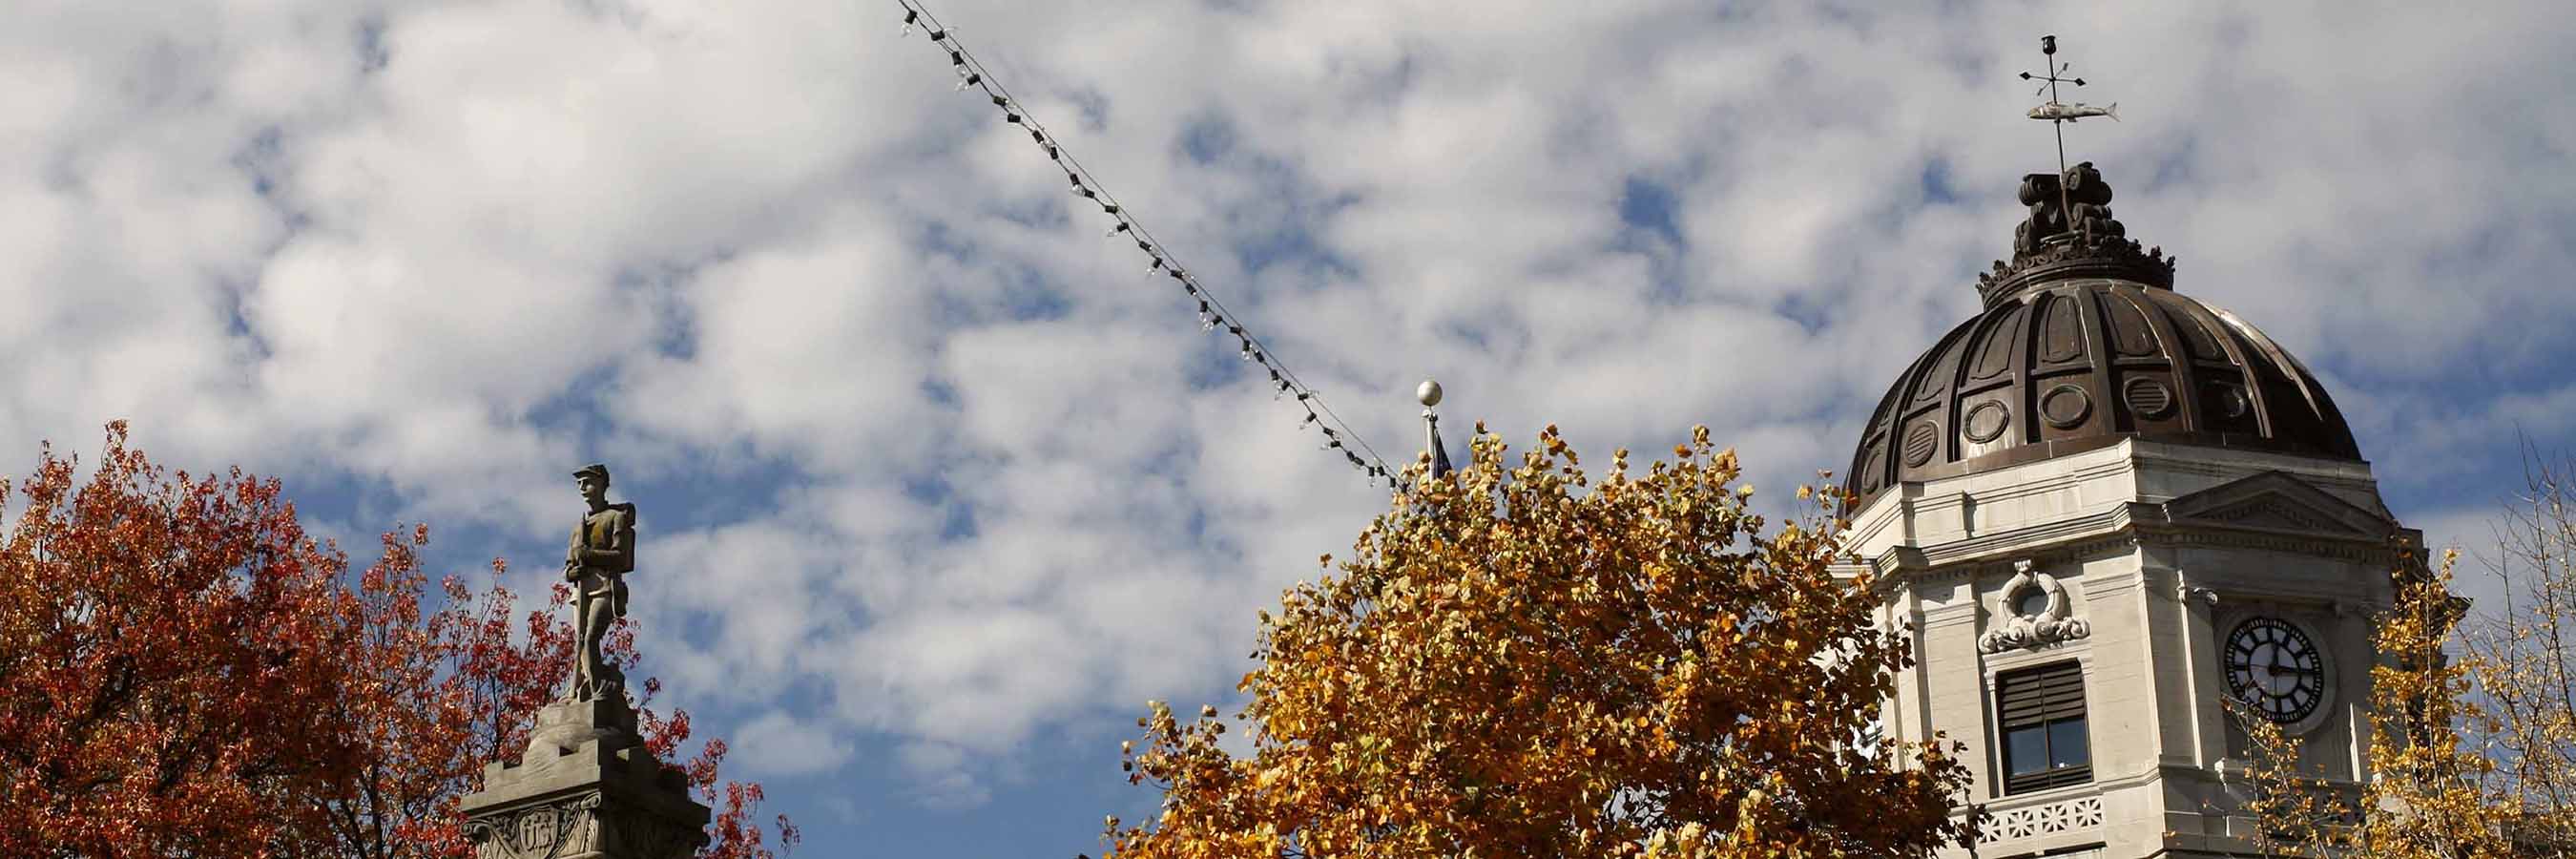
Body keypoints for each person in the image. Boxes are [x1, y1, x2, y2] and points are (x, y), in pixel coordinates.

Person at [564, 463, 636, 701]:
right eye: (579, 484)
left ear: (603, 484)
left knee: (590, 638)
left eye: (588, 482)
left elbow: (621, 557)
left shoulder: (615, 518)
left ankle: (597, 690)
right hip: (581, 592)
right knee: (580, 643)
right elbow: (569, 567)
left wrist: (589, 555)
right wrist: (572, 573)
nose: (583, 488)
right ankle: (581, 689)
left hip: (605, 587)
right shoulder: (579, 527)